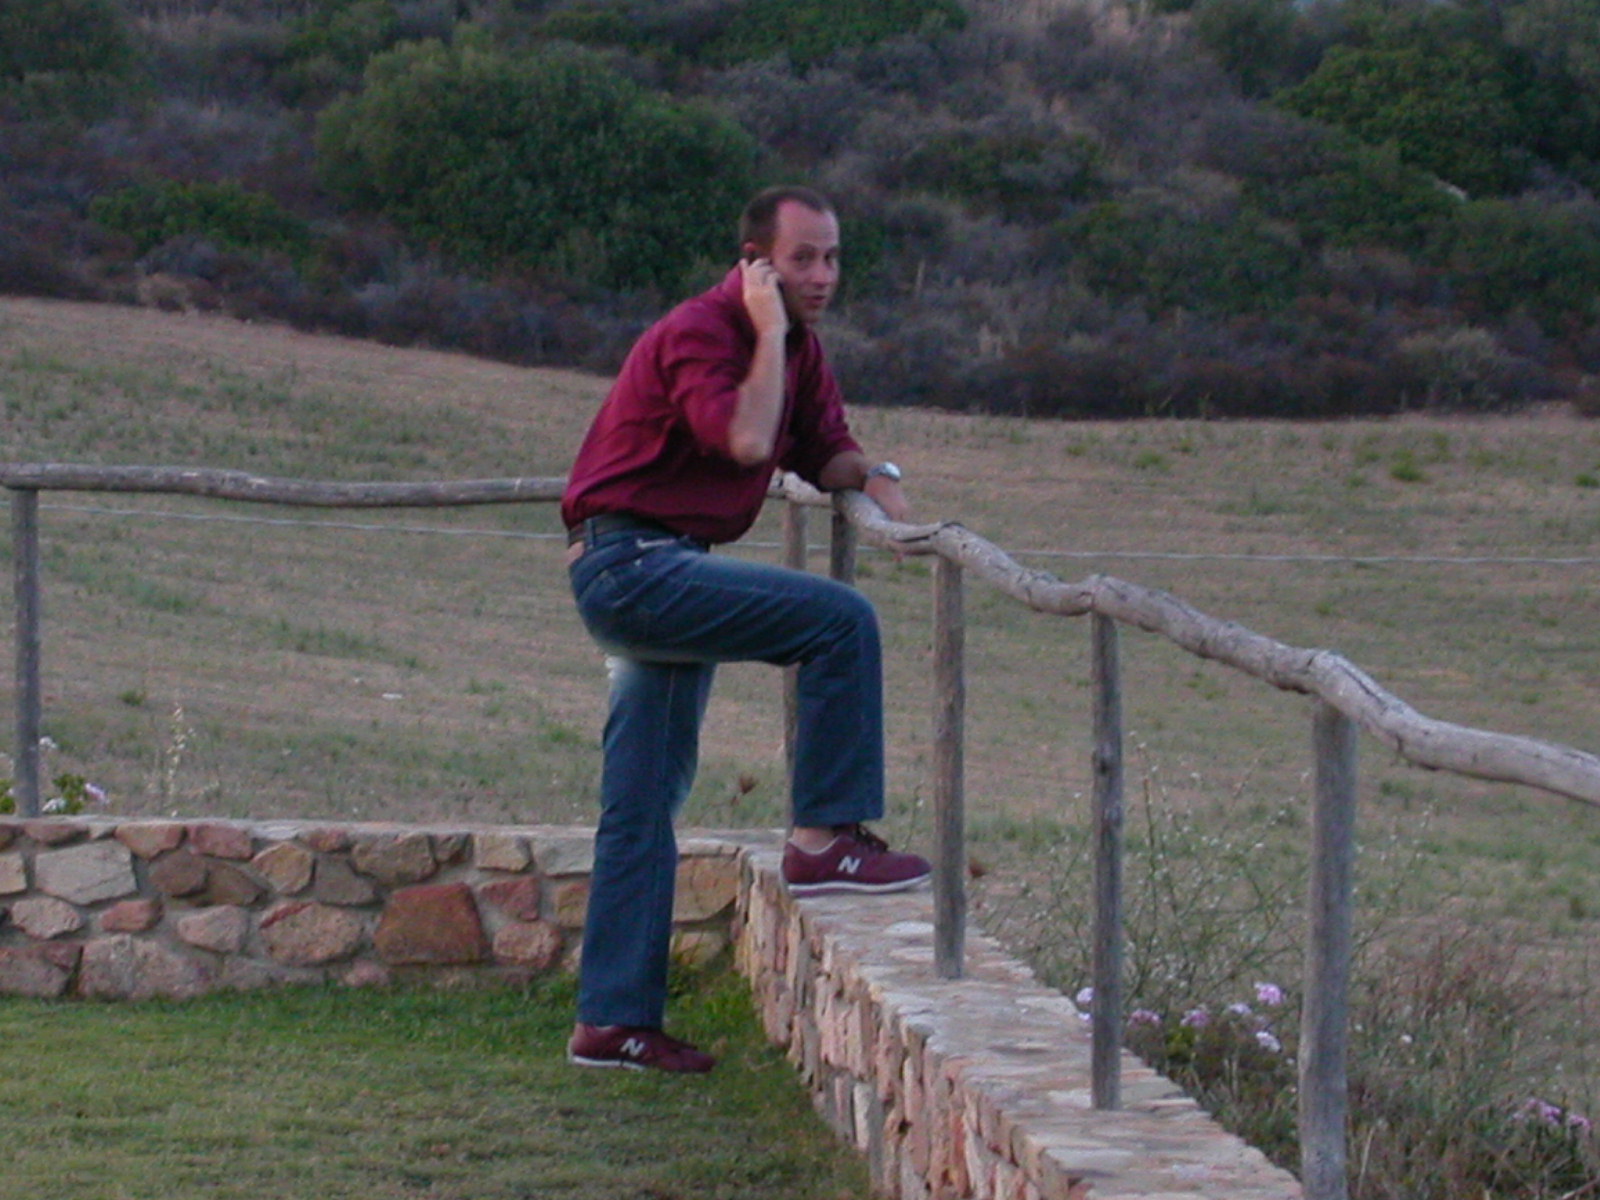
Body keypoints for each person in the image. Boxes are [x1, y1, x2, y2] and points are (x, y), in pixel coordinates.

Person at [560, 185, 932, 1074]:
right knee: (840, 620)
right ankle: (823, 842)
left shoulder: (799, 349)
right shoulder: (706, 332)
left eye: (833, 258)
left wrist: (875, 474)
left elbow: (821, 449)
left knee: (641, 803)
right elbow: (746, 439)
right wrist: (766, 331)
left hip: (666, 564)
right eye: (803, 258)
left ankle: (611, 1024)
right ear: (757, 263)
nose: (823, 275)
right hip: (631, 567)